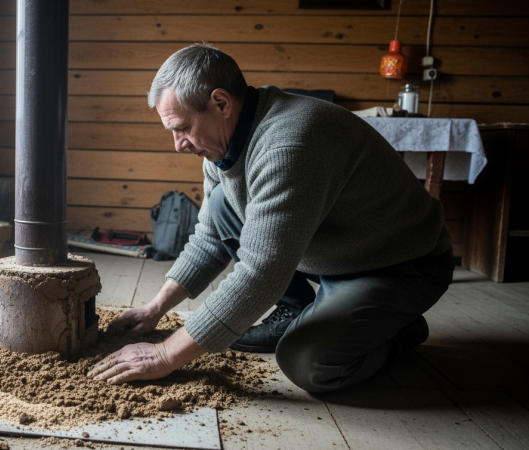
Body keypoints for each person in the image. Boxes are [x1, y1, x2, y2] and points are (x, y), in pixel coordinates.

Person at [87, 43, 454, 394]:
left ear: (220, 102)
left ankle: (400, 329)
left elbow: (262, 272)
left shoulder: (288, 147)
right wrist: (156, 308)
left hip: (395, 265)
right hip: (332, 248)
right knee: (220, 203)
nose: (178, 143)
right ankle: (294, 310)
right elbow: (211, 235)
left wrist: (165, 354)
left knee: (308, 363)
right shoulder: (222, 145)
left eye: (182, 127)